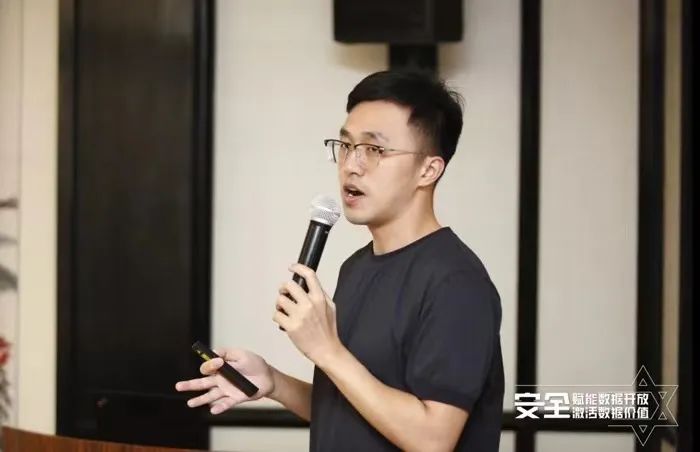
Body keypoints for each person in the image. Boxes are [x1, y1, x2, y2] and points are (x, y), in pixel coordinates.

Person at [175, 70, 504, 452]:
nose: (351, 165)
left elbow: (433, 439)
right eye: (346, 146)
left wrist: (327, 351)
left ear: (428, 170)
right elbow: (354, 412)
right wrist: (274, 382)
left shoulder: (456, 283)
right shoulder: (357, 267)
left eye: (375, 150)